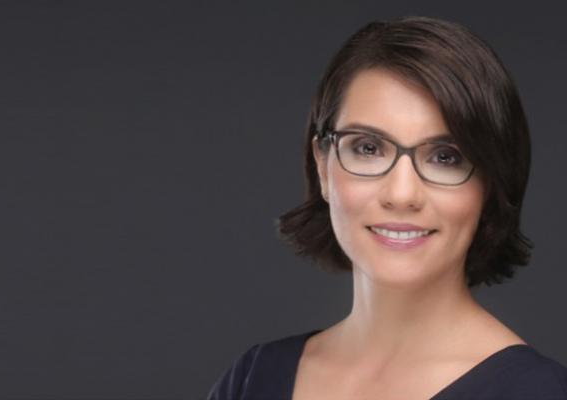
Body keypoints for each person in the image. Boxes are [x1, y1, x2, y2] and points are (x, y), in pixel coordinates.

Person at [206, 15, 567, 400]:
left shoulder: (539, 392)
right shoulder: (253, 379)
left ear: (491, 183)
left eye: (445, 157)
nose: (402, 193)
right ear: (323, 167)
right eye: (367, 148)